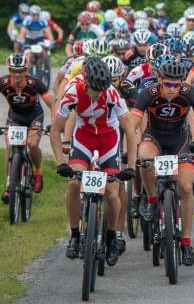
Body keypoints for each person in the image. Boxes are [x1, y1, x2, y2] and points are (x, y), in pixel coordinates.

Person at [51, 56, 138, 264]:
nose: (98, 94)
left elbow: (130, 131)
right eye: (95, 89)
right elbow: (55, 130)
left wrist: (132, 166)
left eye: (102, 89)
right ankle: (74, 234)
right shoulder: (73, 90)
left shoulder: (112, 93)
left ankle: (111, 234)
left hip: (109, 139)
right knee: (73, 184)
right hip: (84, 138)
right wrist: (60, 162)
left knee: (112, 192)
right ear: (86, 81)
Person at [129, 56, 194, 266]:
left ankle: (185, 242)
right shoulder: (148, 93)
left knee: (186, 188)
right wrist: (131, 145)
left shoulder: (188, 93)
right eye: (167, 84)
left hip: (179, 141)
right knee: (145, 158)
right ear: (159, 79)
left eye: (176, 84)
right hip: (155, 137)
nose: (171, 89)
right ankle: (150, 200)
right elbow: (132, 123)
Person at [0, 53, 53, 199]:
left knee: (32, 144)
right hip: (15, 118)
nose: (17, 74)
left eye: (20, 71)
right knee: (9, 148)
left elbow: (52, 104)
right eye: (13, 71)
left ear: (26, 70)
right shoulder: (1, 83)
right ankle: (8, 187)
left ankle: (38, 171)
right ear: (9, 70)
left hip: (34, 117)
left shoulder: (35, 83)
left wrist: (54, 123)